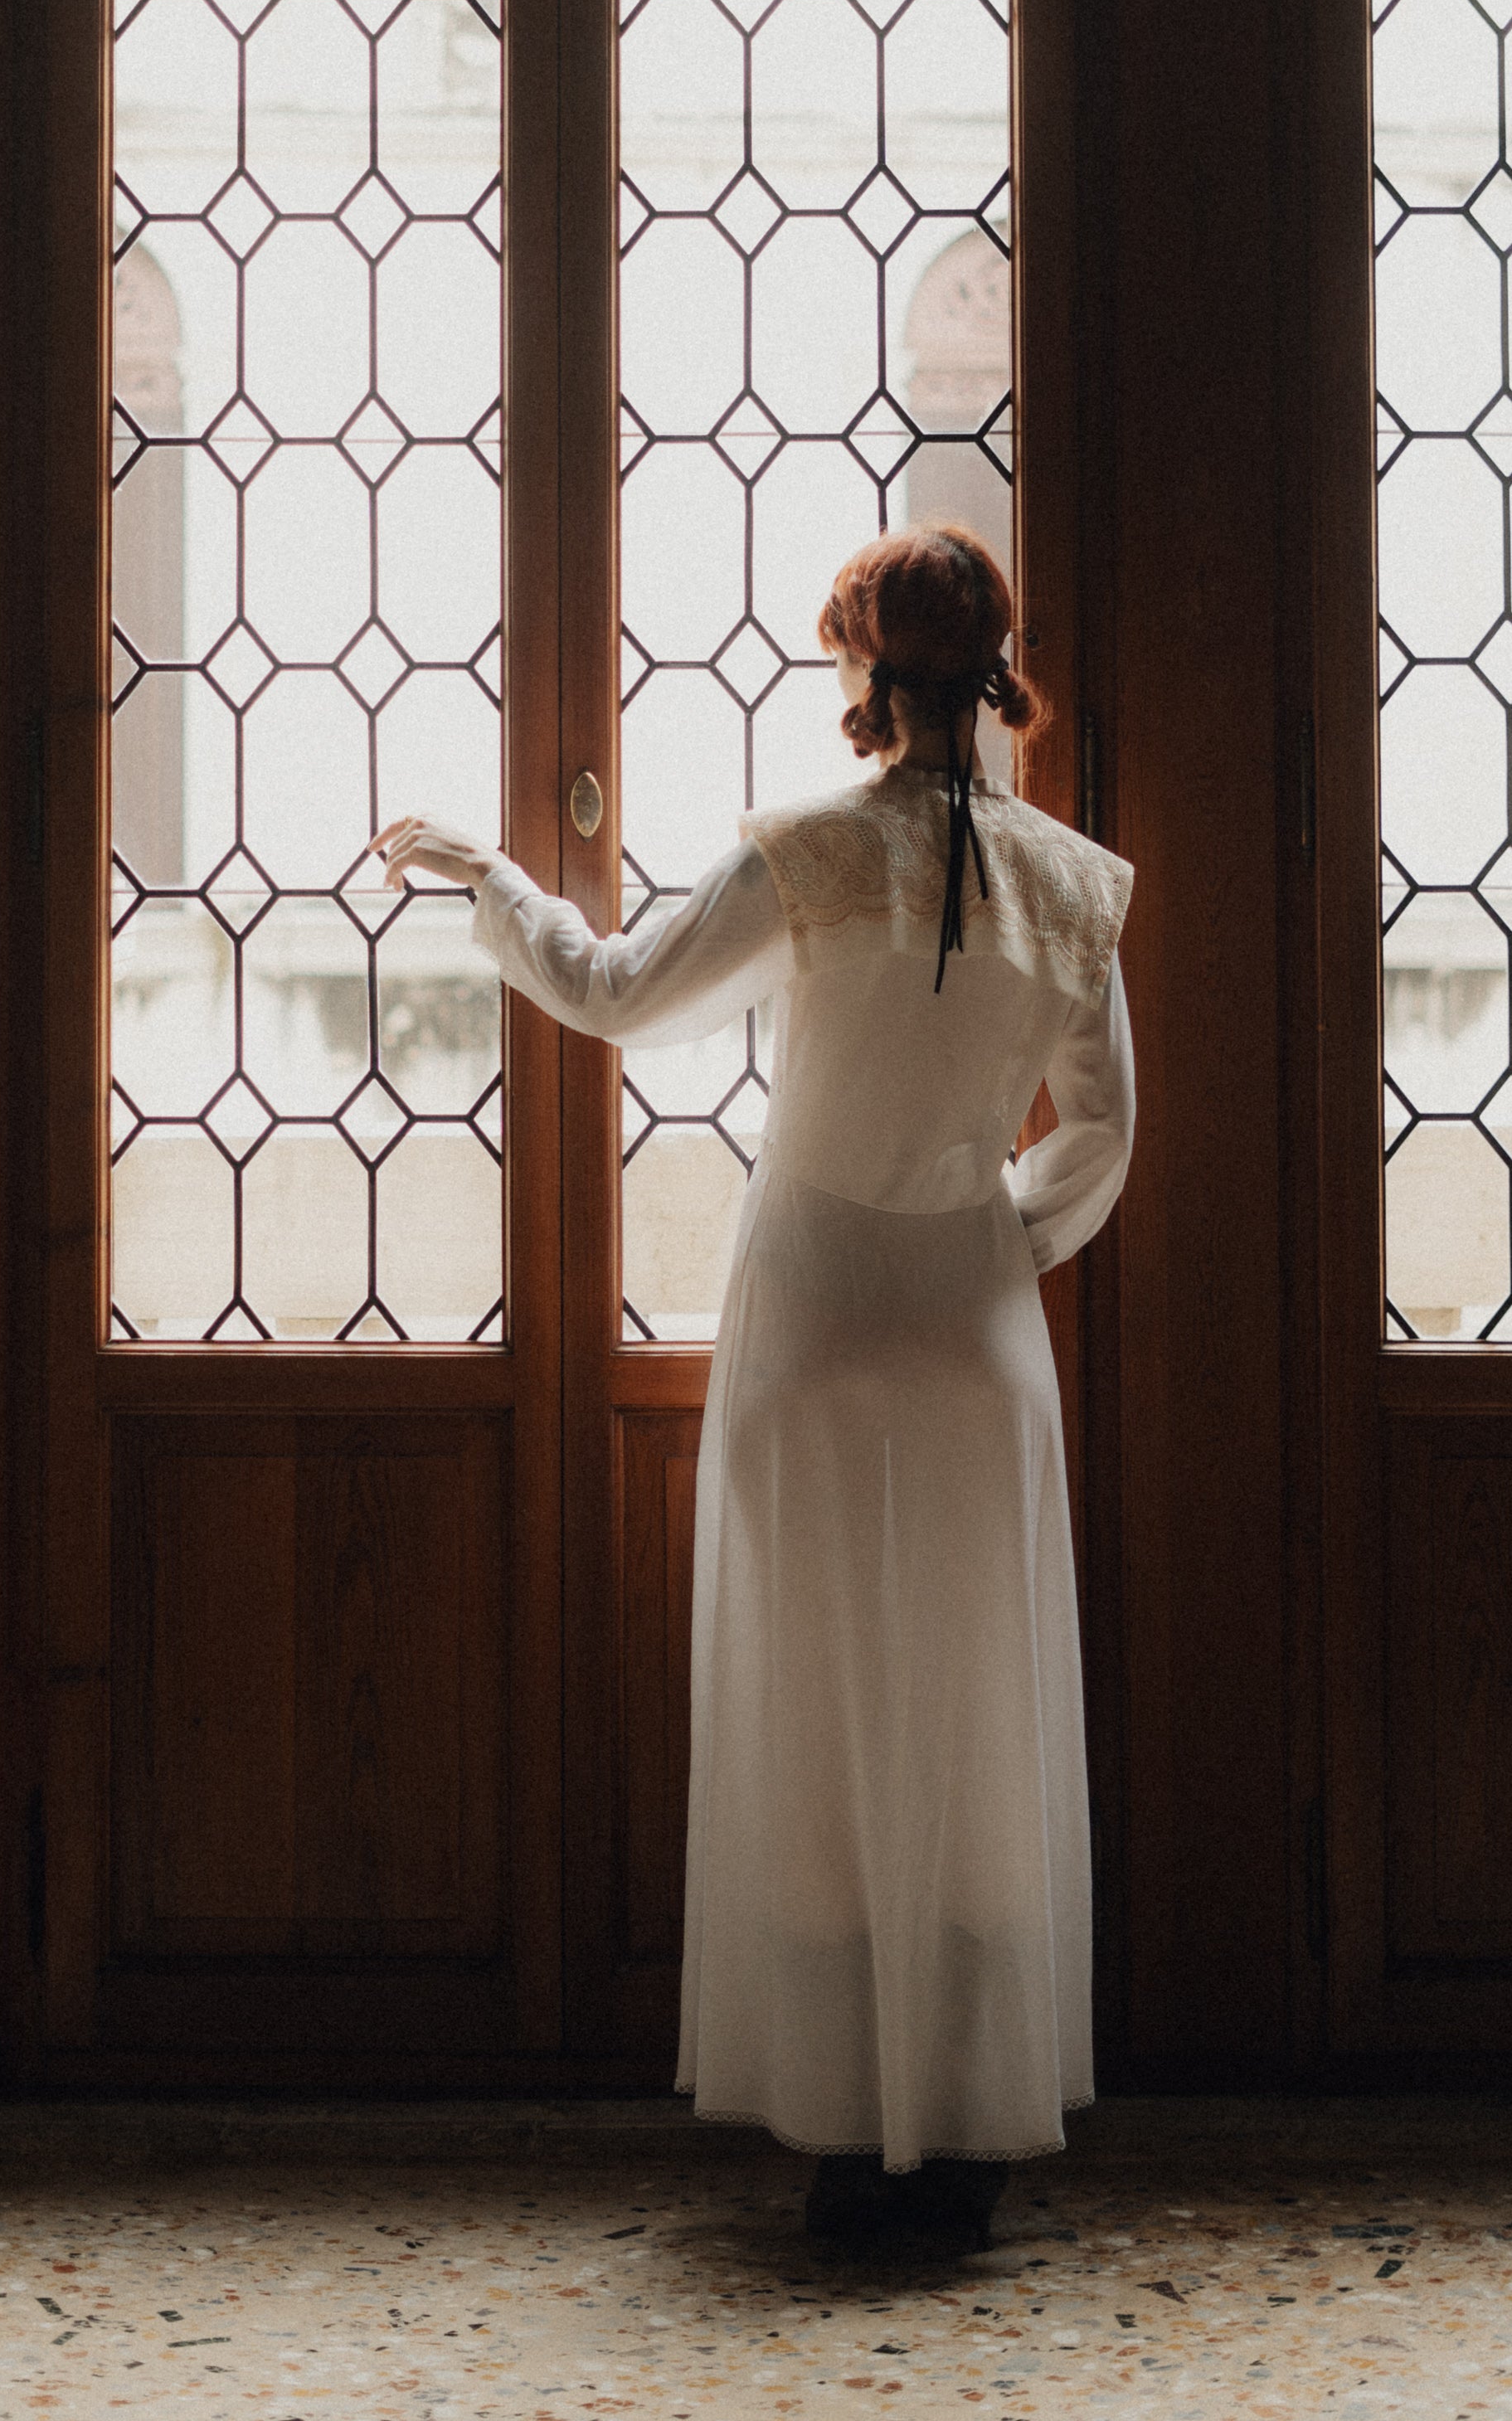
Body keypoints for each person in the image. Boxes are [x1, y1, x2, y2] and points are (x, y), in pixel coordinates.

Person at [369, 524, 1134, 2248]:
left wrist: (490, 873)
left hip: (811, 1301)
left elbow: (616, 989)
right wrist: (985, 1234)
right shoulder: (1072, 883)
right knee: (964, 1710)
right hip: (967, 1316)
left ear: (863, 669)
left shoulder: (801, 856)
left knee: (815, 1708)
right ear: (992, 665)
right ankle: (965, 2131)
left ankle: (850, 2142)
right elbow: (1101, 1131)